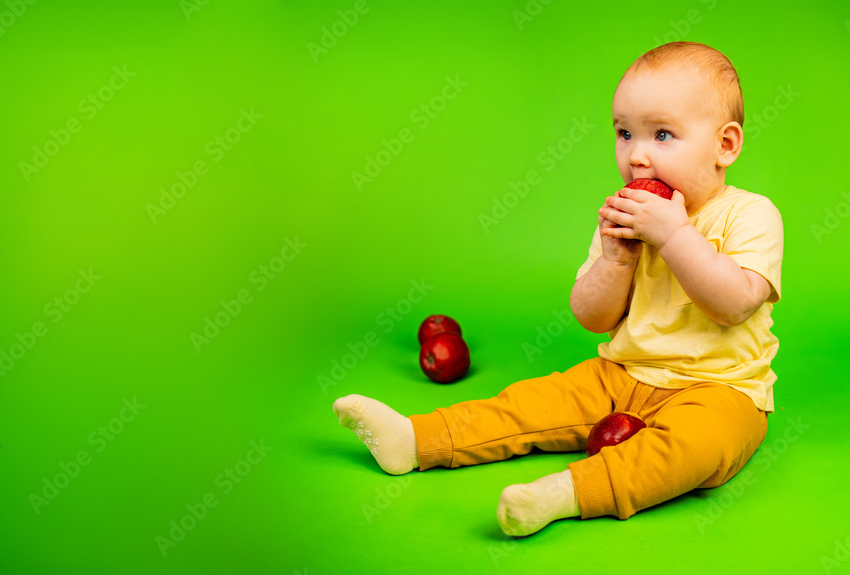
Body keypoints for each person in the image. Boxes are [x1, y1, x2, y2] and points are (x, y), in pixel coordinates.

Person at [332, 41, 783, 537]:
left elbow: (734, 305)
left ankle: (565, 493)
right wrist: (615, 260)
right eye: (624, 133)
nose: (637, 155)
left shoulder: (750, 214)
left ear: (725, 145)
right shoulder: (625, 218)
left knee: (696, 449)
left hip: (720, 390)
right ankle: (418, 439)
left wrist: (674, 236)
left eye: (662, 134)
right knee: (532, 402)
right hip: (622, 372)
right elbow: (593, 317)